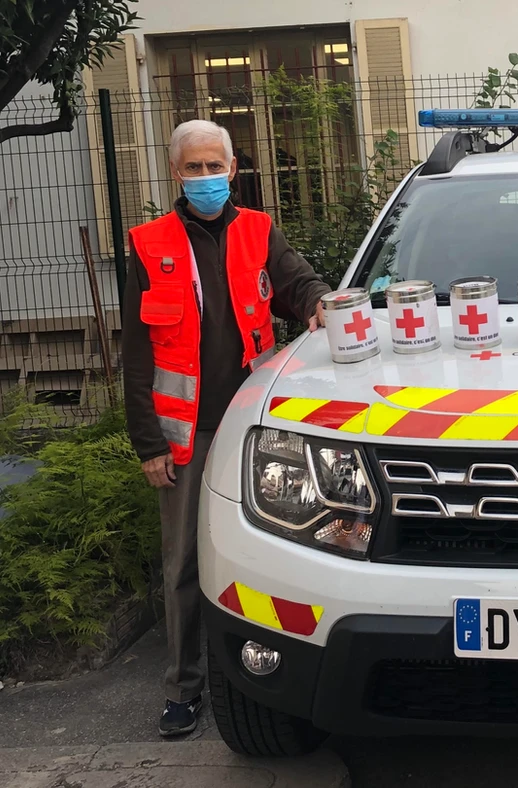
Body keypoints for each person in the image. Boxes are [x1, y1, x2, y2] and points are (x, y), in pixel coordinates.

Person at [122, 119, 331, 737]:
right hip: (185, 438)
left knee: (270, 554)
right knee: (184, 563)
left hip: (255, 429)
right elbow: (136, 355)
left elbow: (298, 284)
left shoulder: (258, 231)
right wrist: (149, 444)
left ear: (234, 169)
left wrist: (321, 303)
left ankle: (269, 672)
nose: (206, 177)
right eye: (194, 167)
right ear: (176, 172)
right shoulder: (149, 245)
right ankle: (183, 689)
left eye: (215, 166)